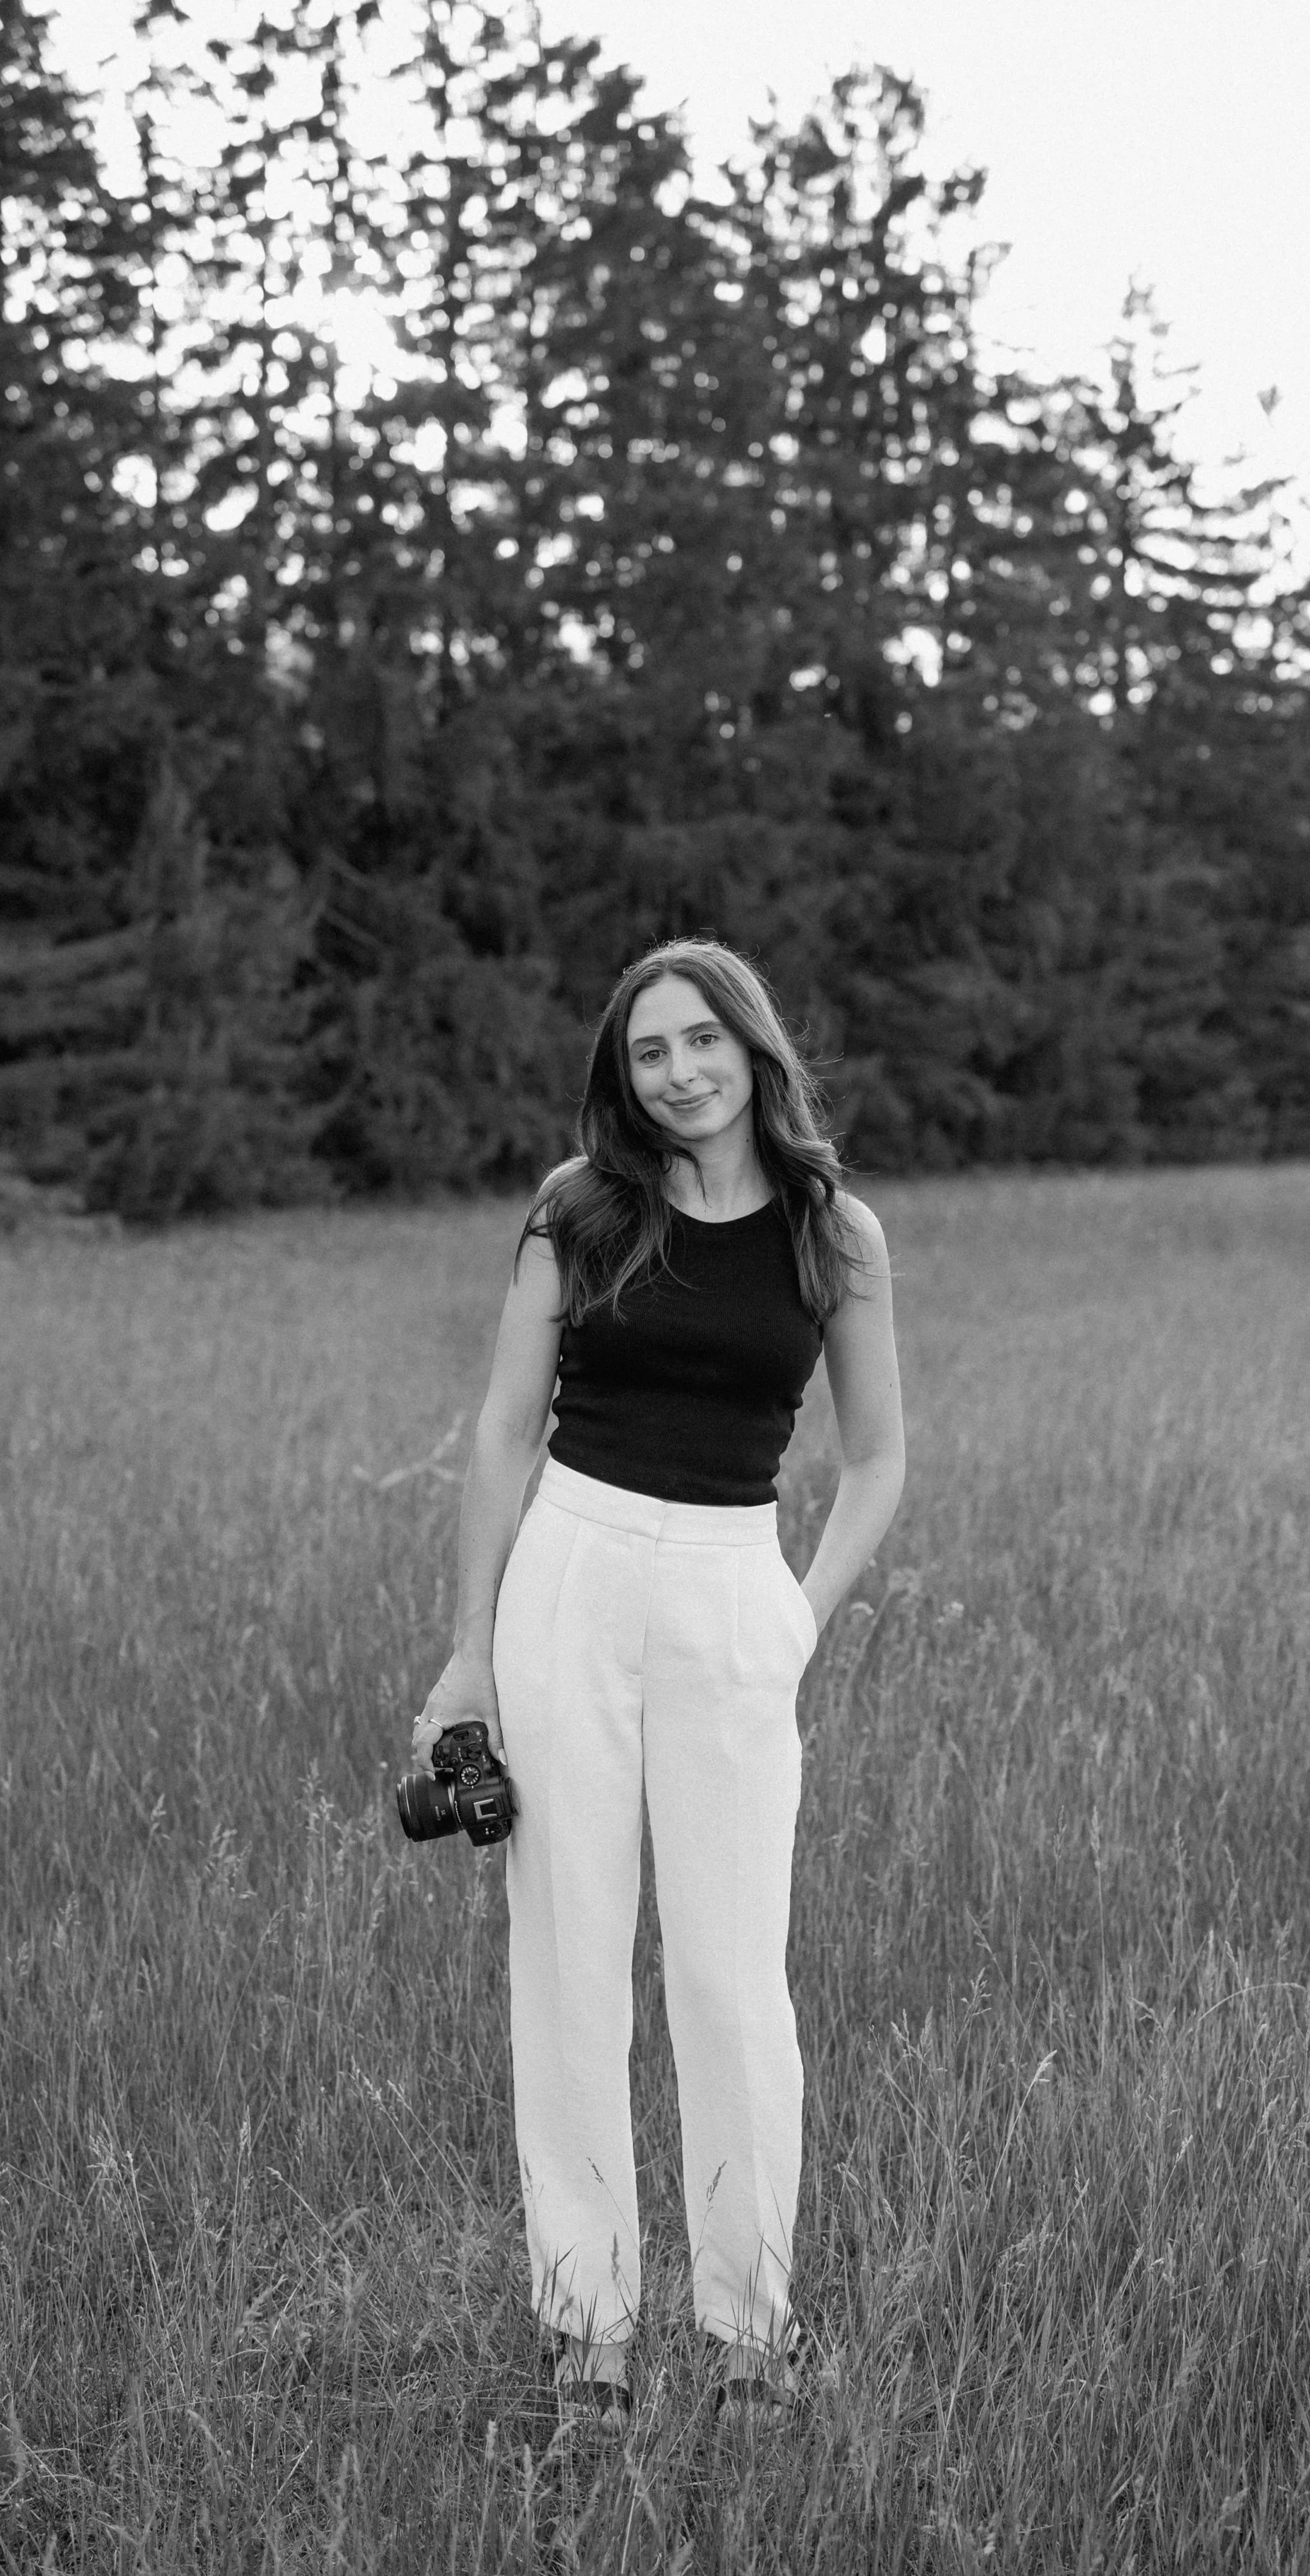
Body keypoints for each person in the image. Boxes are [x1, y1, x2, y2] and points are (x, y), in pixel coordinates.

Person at [410, 938, 905, 2437]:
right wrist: (466, 1648)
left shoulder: (834, 1231)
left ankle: (752, 2333)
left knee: (730, 1978)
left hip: (729, 1591)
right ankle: (591, 2336)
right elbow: (502, 1433)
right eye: (647, 1052)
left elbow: (877, 1454)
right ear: (620, 1078)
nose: (678, 1070)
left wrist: (797, 1617)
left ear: (753, 1049)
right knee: (563, 1957)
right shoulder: (577, 1212)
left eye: (701, 1040)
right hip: (570, 1570)